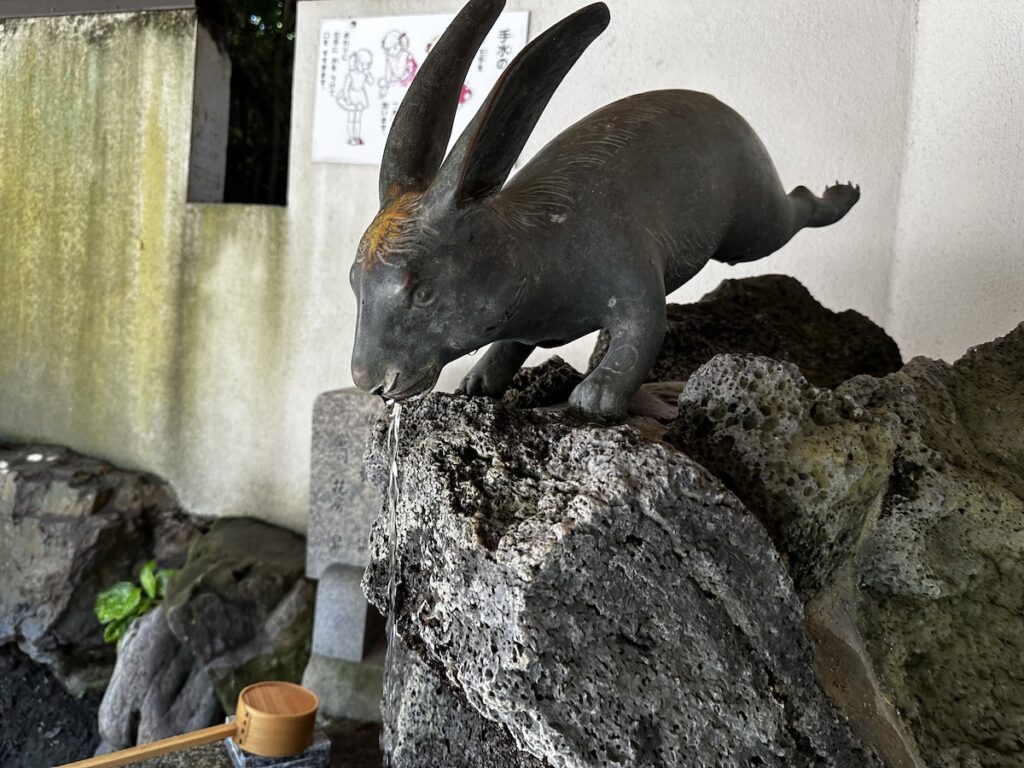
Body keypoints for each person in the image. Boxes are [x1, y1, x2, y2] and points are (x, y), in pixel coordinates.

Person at [337, 49, 373, 146]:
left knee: (358, 118)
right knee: (351, 118)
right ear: (356, 62)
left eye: (367, 65)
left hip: (360, 96)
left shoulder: (364, 74)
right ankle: (351, 137)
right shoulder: (351, 75)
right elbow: (345, 88)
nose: (364, 67)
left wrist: (368, 73)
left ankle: (357, 137)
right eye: (362, 64)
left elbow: (371, 81)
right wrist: (347, 98)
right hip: (352, 96)